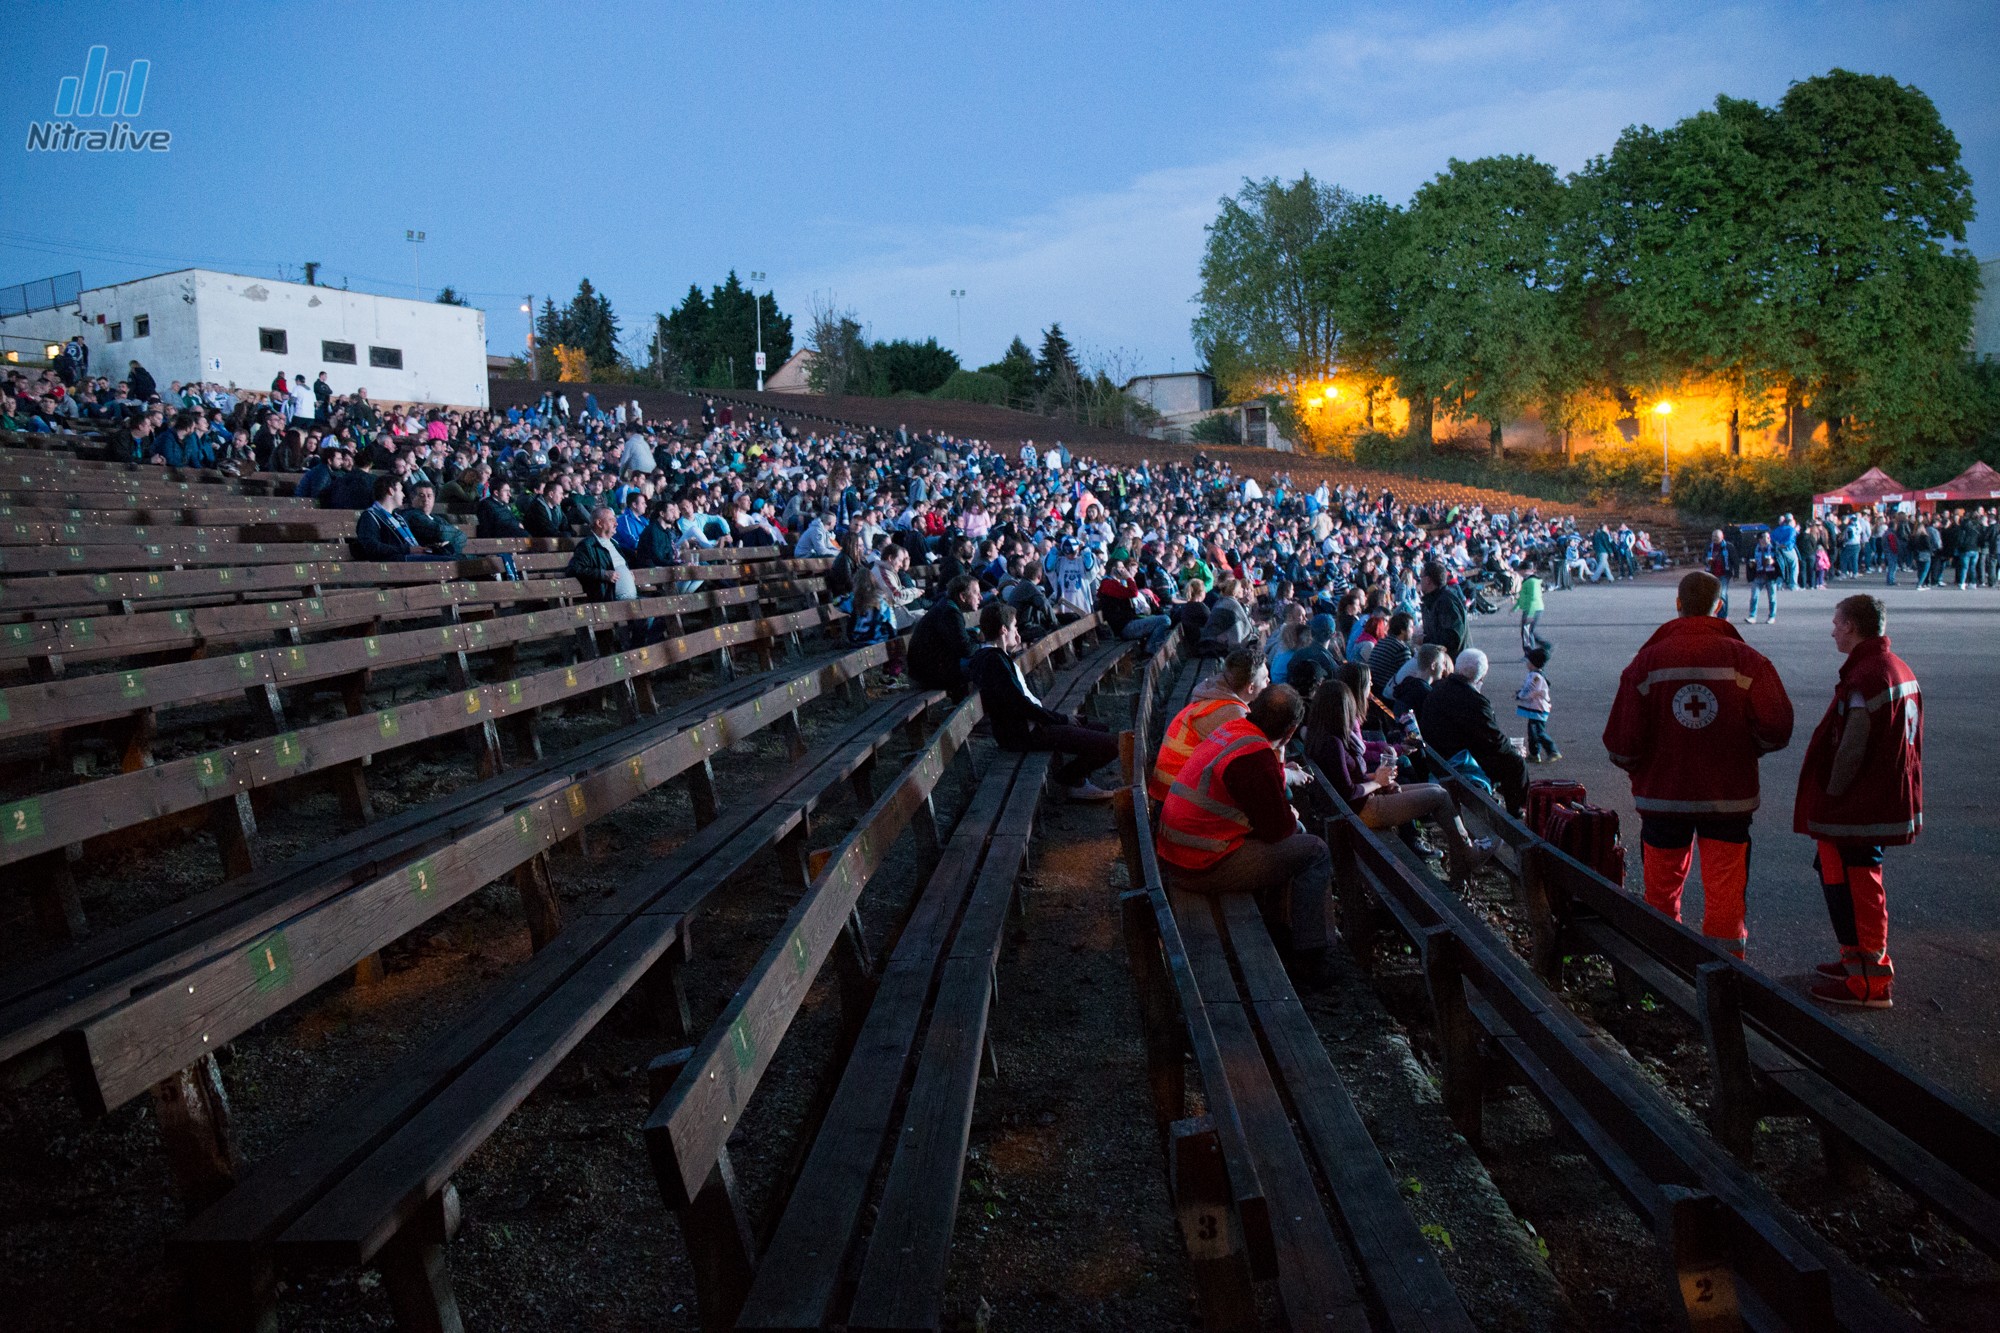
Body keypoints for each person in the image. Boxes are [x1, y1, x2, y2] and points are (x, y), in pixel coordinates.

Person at [1602, 571, 1794, 956]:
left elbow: (1622, 743)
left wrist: (1646, 768)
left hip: (1663, 799)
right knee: (1725, 890)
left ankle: (1662, 969)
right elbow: (1777, 726)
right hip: (1729, 798)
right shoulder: (1748, 660)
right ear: (1718, 607)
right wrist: (1747, 749)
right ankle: (1726, 970)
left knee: (1661, 889)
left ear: (1677, 605)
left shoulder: (1646, 663)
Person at [1156, 684, 1332, 984]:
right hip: (1199, 866)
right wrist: (1290, 814)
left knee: (1298, 837)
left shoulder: (1234, 730)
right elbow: (1278, 831)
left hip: (1178, 851)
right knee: (1315, 851)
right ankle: (1311, 956)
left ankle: (1283, 925)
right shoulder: (1254, 757)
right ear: (1290, 732)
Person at [1794, 595, 1922, 1008]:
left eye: (1836, 622)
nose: (1832, 629)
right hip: (1876, 800)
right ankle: (1855, 960)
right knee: (1843, 878)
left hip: (1857, 806)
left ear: (1851, 626)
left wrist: (1830, 793)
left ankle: (1869, 980)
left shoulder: (1866, 677)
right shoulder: (1894, 669)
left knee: (1857, 885)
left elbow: (1852, 747)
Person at [1305, 676, 1493, 882]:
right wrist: (1377, 781)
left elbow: (1342, 781)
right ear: (1342, 710)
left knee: (1437, 790)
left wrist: (1380, 781)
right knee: (1439, 795)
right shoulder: (1333, 744)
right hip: (1363, 810)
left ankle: (1464, 860)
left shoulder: (1321, 738)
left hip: (1359, 805)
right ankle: (1469, 854)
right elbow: (1348, 792)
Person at [967, 602, 1119, 801]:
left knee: (1100, 728)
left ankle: (1078, 778)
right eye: (1015, 627)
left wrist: (1058, 719)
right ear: (1004, 630)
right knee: (1111, 745)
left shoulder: (991, 657)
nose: (1018, 633)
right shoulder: (994, 661)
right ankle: (1070, 780)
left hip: (1025, 727)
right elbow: (1019, 705)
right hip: (1025, 733)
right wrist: (1060, 719)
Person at [1419, 649, 1529, 815]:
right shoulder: (1474, 700)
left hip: (1438, 757)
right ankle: (1517, 813)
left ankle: (1511, 807)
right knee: (1516, 763)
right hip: (1456, 762)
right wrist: (1515, 750)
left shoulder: (1438, 689)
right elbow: (1495, 742)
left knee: (1508, 759)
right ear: (1481, 677)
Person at [1149, 648, 1262, 802]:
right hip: (1177, 797)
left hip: (1169, 787)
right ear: (1250, 688)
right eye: (1265, 678)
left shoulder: (1213, 692)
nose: (1269, 682)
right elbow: (1249, 767)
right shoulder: (1233, 713)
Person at [907, 574, 981, 699]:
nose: (981, 598)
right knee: (986, 661)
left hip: (926, 671)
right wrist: (982, 644)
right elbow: (966, 649)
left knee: (984, 659)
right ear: (962, 596)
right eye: (976, 593)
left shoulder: (947, 606)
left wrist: (975, 635)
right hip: (928, 675)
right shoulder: (950, 612)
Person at [1097, 555, 1174, 654]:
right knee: (1164, 620)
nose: (1124, 570)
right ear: (1114, 569)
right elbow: (1133, 593)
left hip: (1128, 623)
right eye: (1121, 568)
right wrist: (1129, 578)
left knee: (1162, 618)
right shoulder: (1108, 584)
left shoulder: (1114, 583)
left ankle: (1152, 649)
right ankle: (1151, 648)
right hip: (1125, 628)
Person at [566, 506, 640, 605]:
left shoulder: (614, 544)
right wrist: (603, 574)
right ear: (599, 523)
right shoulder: (588, 545)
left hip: (630, 599)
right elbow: (573, 569)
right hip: (610, 600)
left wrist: (627, 572)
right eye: (611, 520)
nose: (616, 523)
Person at [1516, 645, 1559, 763]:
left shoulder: (1536, 677)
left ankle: (1552, 750)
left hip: (1538, 709)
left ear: (1533, 663)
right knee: (1533, 733)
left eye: (1528, 661)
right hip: (1535, 708)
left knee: (1538, 732)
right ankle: (1534, 754)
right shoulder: (1536, 675)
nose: (1527, 664)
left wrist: (1520, 695)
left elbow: (1530, 690)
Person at [1418, 562, 1467, 660]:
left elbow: (1453, 638)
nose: (1420, 582)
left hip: (1454, 663)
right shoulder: (1434, 600)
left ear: (1428, 580)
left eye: (1421, 577)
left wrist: (1424, 640)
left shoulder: (1446, 602)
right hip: (1442, 661)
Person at [1745, 531, 1780, 624]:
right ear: (1760, 539)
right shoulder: (1754, 549)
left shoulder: (1774, 548)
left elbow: (1780, 560)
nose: (1768, 539)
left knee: (1772, 597)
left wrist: (1773, 562)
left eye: (1769, 537)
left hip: (1771, 575)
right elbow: (1748, 559)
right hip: (1758, 574)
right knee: (1754, 596)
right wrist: (1751, 564)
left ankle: (1772, 616)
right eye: (1766, 537)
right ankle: (1752, 616)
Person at [1514, 561, 1545, 651]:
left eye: (1520, 570)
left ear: (1525, 570)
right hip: (1531, 608)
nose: (1519, 573)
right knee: (1529, 631)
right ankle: (1544, 646)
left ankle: (1530, 654)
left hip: (1532, 609)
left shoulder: (1531, 582)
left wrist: (1530, 614)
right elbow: (1524, 596)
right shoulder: (1528, 580)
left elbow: (1533, 598)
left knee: (1526, 632)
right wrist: (1516, 607)